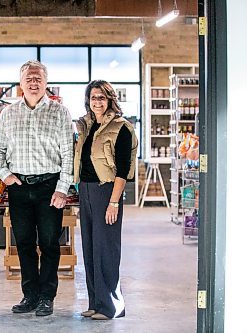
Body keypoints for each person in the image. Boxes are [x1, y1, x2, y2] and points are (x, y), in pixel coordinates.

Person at [0, 60, 74, 317]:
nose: (34, 82)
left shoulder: (60, 112)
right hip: (19, 187)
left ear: (46, 83)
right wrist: (6, 176)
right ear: (21, 83)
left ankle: (47, 297)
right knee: (24, 243)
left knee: (49, 244)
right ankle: (30, 295)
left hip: (50, 187)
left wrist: (62, 189)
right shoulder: (8, 113)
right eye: (29, 78)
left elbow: (68, 154)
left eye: (38, 78)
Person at [73, 80, 138, 320]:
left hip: (107, 191)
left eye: (101, 97)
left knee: (106, 249)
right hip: (87, 190)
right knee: (90, 248)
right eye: (93, 97)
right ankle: (95, 303)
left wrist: (113, 202)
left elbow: (123, 169)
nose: (97, 102)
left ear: (110, 99)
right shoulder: (87, 126)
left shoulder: (121, 127)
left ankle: (111, 306)